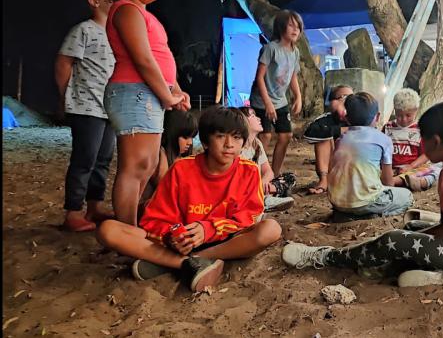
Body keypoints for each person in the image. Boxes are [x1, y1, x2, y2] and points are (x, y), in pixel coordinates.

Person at [281, 102, 443, 288]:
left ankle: (325, 257)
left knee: (394, 239)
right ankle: (430, 273)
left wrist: (403, 240)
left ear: (435, 141)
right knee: (415, 227)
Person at [96, 107, 282, 292]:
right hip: (181, 244)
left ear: (243, 143)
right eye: (220, 136)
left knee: (271, 229)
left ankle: (190, 260)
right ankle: (185, 263)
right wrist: (174, 237)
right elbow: (153, 220)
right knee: (108, 230)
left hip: (224, 242)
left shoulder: (249, 171)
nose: (229, 144)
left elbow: (249, 217)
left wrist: (208, 228)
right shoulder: (181, 169)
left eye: (236, 138)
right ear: (205, 141)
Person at [103, 0, 190, 225]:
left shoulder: (143, 13)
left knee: (149, 164)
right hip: (133, 93)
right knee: (135, 165)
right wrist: (167, 95)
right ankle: (126, 231)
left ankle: (132, 225)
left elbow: (159, 56)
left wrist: (175, 90)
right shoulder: (126, 10)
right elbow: (142, 59)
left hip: (147, 94)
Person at [55, 0, 116, 232]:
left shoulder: (116, 33)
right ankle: (73, 212)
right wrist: (65, 96)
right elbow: (63, 63)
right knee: (84, 158)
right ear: (94, 1)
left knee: (103, 159)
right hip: (85, 105)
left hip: (109, 107)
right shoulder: (84, 30)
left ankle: (94, 206)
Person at [327, 92, 413, 219]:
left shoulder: (341, 139)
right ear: (377, 117)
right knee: (407, 196)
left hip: (337, 202)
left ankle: (347, 213)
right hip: (366, 202)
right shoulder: (384, 139)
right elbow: (388, 182)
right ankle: (369, 215)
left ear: (346, 118)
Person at [249, 9, 303, 176]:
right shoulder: (270, 48)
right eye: (291, 26)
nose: (295, 30)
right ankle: (256, 173)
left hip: (280, 101)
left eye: (298, 27)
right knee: (264, 137)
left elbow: (293, 76)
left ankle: (275, 174)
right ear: (281, 28)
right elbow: (259, 78)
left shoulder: (295, 52)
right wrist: (267, 104)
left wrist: (298, 96)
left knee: (285, 136)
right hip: (261, 101)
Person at [238, 106, 295, 212]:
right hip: (245, 188)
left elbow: (269, 171)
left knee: (289, 178)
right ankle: (264, 200)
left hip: (258, 185)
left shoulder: (257, 144)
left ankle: (263, 198)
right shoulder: (237, 148)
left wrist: (264, 181)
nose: (259, 119)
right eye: (253, 116)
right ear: (243, 122)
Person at [384, 88, 440, 192]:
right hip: (391, 169)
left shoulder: (420, 129)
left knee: (433, 170)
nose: (403, 119)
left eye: (408, 115)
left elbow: (426, 154)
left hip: (413, 168)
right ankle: (396, 180)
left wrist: (411, 166)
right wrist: (386, 169)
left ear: (416, 111)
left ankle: (396, 181)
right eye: (399, 115)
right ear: (394, 110)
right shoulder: (387, 128)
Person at [140, 110, 198, 211]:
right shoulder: (160, 154)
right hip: (151, 209)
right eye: (185, 137)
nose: (190, 142)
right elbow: (166, 188)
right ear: (172, 134)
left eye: (191, 137)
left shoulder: (181, 157)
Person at [303, 85, 353, 194]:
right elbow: (309, 134)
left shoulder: (359, 117)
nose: (350, 101)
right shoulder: (326, 119)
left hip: (354, 168)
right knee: (323, 136)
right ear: (334, 102)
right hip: (333, 169)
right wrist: (340, 130)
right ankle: (324, 180)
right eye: (344, 97)